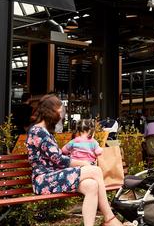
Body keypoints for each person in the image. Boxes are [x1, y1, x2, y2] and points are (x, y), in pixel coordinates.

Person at [26, 95, 126, 226]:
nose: (61, 115)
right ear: (51, 111)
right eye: (59, 111)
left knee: (92, 185)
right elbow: (59, 159)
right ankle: (109, 219)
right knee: (95, 170)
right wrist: (83, 163)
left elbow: (57, 157)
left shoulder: (43, 131)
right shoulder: (38, 131)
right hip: (44, 180)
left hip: (55, 177)